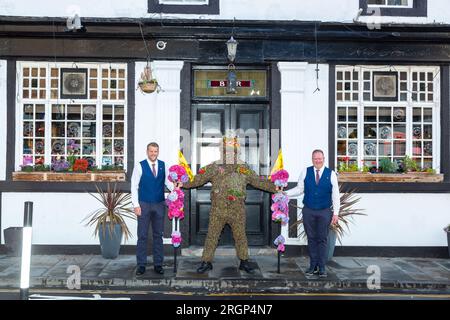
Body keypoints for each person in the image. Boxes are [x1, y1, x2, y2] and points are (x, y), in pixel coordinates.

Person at [177, 135, 280, 274]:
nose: (230, 153)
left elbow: (258, 181)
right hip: (217, 210)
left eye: (233, 151)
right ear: (223, 151)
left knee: (240, 236)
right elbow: (198, 180)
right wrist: (183, 184)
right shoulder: (214, 167)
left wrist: (276, 188)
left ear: (236, 152)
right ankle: (206, 262)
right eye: (227, 151)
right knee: (212, 235)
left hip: (237, 210)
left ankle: (244, 261)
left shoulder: (244, 168)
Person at [285, 149, 340, 278]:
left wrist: (336, 213)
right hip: (309, 210)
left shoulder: (331, 174)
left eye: (320, 158)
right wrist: (285, 194)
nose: (318, 160)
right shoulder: (305, 171)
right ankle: (312, 265)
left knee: (322, 238)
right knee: (311, 238)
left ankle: (321, 266)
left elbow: (335, 195)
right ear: (312, 159)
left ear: (323, 159)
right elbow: (299, 189)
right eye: (315, 158)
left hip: (324, 211)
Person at [131, 142, 174, 276]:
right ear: (147, 151)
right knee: (142, 235)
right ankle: (141, 265)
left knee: (158, 235)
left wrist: (176, 190)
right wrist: (136, 205)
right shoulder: (139, 166)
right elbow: (134, 186)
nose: (153, 154)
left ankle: (158, 264)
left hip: (159, 204)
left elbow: (168, 183)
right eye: (151, 151)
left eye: (155, 151)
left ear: (158, 152)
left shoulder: (163, 165)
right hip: (143, 204)